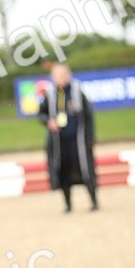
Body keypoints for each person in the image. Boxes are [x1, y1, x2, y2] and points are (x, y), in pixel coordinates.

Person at [38, 62, 98, 212]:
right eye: (57, 76)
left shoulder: (77, 91)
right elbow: (41, 114)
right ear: (53, 77)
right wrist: (48, 122)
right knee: (63, 172)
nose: (61, 79)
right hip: (60, 141)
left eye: (63, 75)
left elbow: (89, 115)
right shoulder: (50, 94)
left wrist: (90, 137)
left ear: (68, 75)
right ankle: (68, 204)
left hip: (78, 140)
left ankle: (94, 201)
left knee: (85, 170)